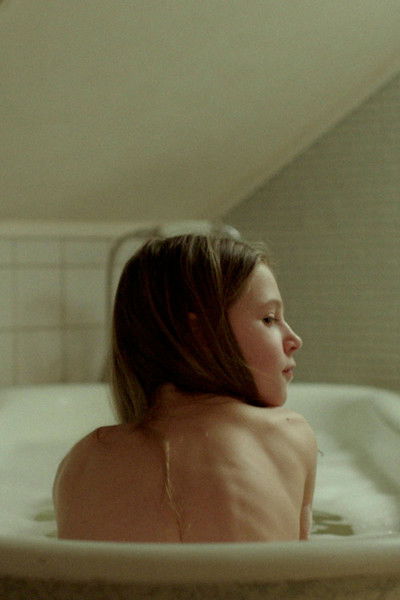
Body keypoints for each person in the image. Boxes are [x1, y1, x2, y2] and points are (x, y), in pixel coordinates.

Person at [53, 234, 317, 543]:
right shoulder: (289, 436)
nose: (294, 339)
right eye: (270, 319)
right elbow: (302, 563)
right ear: (200, 331)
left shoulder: (83, 463)